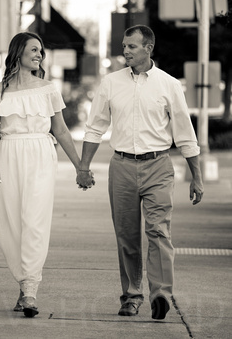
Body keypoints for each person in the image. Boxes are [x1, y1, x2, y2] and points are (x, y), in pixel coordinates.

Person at [76, 25, 204, 320]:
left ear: (148, 48)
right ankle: (132, 296)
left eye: (132, 46)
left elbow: (185, 133)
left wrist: (196, 176)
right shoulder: (110, 83)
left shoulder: (169, 84)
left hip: (158, 165)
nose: (126, 51)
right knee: (127, 236)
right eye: (124, 46)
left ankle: (161, 294)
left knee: (159, 231)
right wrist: (83, 167)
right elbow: (95, 128)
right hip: (121, 165)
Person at [0, 32, 83, 318]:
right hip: (8, 155)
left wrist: (79, 166)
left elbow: (60, 130)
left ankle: (30, 290)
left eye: (41, 51)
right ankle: (23, 282)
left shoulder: (48, 89)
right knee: (12, 225)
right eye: (34, 50)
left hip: (39, 153)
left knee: (34, 220)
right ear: (18, 53)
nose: (39, 54)